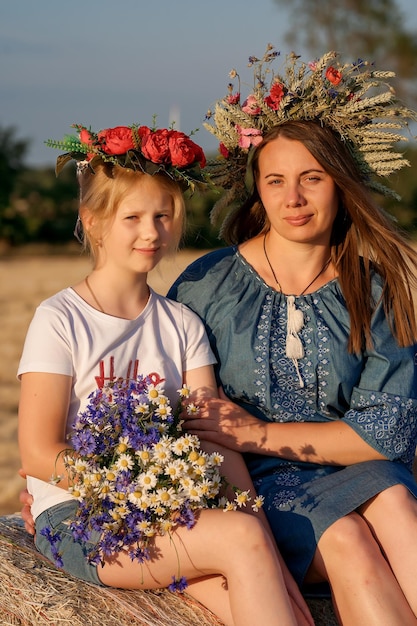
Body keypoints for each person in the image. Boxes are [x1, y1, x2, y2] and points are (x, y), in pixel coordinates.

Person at [17, 122, 313, 626]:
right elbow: (39, 452)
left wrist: (262, 531)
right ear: (92, 221)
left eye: (164, 214)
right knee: (239, 542)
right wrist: (142, 494)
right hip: (81, 516)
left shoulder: (182, 325)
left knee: (276, 598)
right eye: (132, 217)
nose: (151, 232)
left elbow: (215, 438)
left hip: (167, 508)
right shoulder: (59, 319)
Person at [166, 48, 417, 625]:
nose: (294, 198)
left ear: (341, 184)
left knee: (401, 501)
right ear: (257, 188)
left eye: (312, 178)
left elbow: (382, 434)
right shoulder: (208, 285)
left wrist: (256, 430)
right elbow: (151, 385)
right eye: (276, 180)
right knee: (349, 539)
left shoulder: (375, 287)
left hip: (369, 472)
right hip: (255, 488)